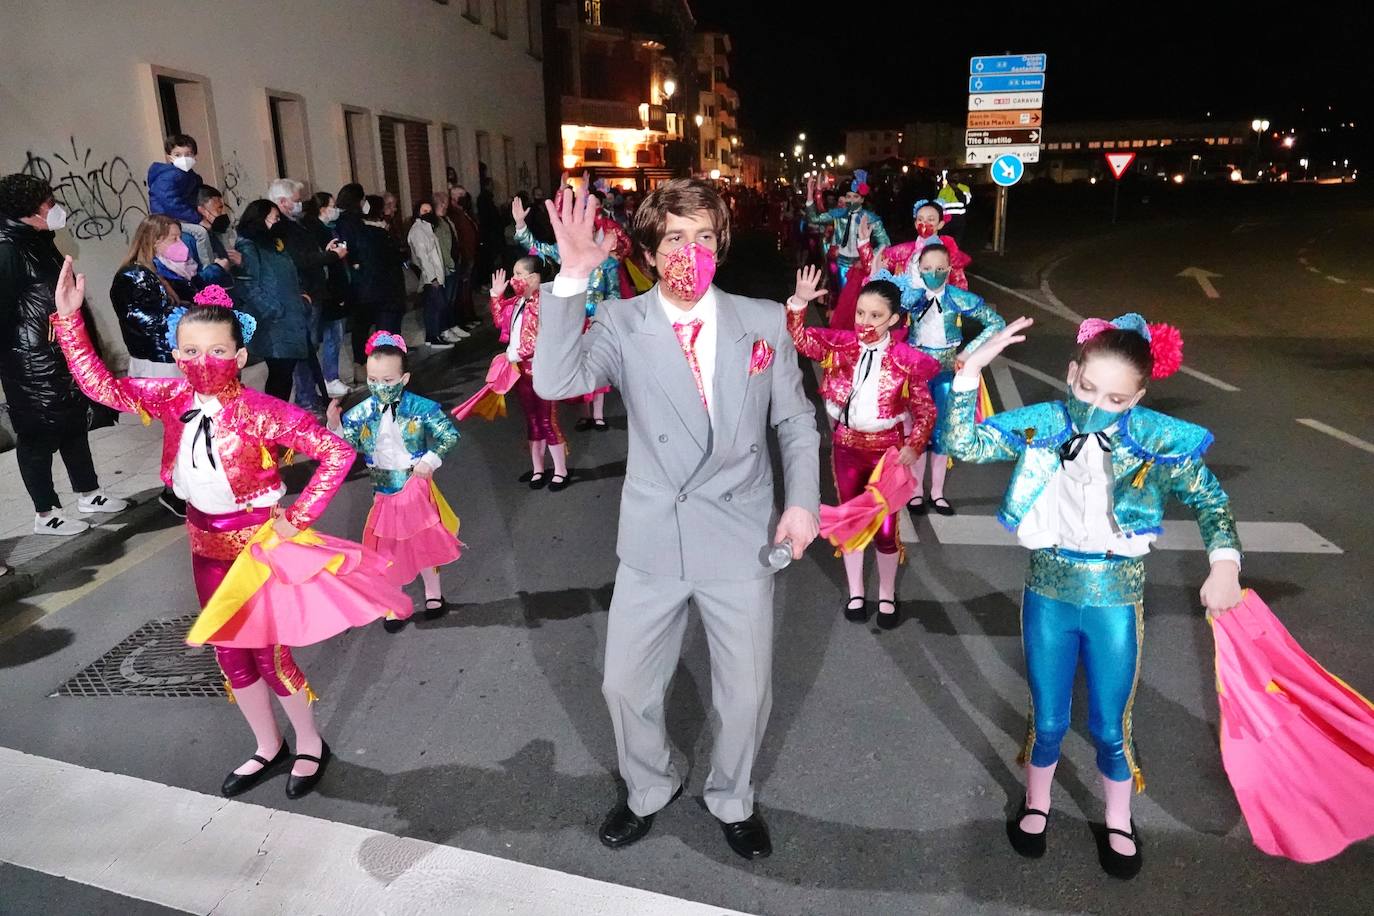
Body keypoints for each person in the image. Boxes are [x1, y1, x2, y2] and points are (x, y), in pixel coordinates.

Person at [533, 179, 820, 860]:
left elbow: (795, 418)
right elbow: (555, 381)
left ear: (720, 245)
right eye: (675, 238)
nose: (691, 250)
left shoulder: (763, 320)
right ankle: (648, 787)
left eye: (705, 237)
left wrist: (803, 500)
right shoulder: (621, 322)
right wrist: (573, 276)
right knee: (624, 684)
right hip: (655, 534)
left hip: (741, 534)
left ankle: (732, 796)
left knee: (746, 693)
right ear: (653, 250)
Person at [52, 270, 400, 800]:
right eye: (188, 352)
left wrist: (298, 515)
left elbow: (337, 452)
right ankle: (267, 745)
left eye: (215, 351)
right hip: (203, 548)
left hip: (258, 552)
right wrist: (71, 320)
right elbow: (100, 384)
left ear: (239, 358)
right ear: (176, 354)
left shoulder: (262, 412)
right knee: (229, 653)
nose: (201, 363)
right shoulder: (170, 397)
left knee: (270, 655)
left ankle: (308, 743)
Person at [944, 313, 1244, 879]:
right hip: (1047, 587)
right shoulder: (1047, 421)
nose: (1097, 405)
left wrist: (1224, 564)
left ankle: (1118, 819)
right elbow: (962, 440)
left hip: (1115, 596)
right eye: (1086, 388)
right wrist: (970, 372)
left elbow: (1211, 500)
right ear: (1071, 371)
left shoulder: (1155, 437)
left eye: (1115, 398)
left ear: (1139, 395)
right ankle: (1037, 803)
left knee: (1111, 724)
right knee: (1049, 716)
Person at [785, 270, 939, 629]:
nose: (864, 322)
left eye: (875, 316)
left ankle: (886, 593)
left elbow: (926, 409)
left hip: (887, 452)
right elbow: (801, 340)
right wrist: (799, 303)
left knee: (886, 530)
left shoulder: (906, 359)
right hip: (846, 447)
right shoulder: (841, 344)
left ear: (894, 320)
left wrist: (914, 446)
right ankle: (856, 591)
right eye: (860, 313)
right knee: (852, 522)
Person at [0, 173, 127, 537]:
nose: (55, 207)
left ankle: (89, 492)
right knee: (37, 436)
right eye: (49, 201)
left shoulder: (39, 240)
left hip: (62, 353)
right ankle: (46, 513)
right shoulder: (8, 248)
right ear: (33, 208)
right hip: (31, 361)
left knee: (73, 424)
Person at [328, 331, 462, 631]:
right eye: (373, 380)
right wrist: (334, 427)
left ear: (404, 379)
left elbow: (448, 434)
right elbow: (346, 448)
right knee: (385, 551)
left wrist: (429, 460)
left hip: (415, 486)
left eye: (387, 381)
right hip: (383, 491)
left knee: (422, 541)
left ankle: (433, 595)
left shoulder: (421, 407)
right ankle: (394, 603)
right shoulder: (360, 413)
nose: (379, 387)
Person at [900, 243, 1005, 516]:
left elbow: (995, 323)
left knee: (942, 435)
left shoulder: (957, 297)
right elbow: (886, 309)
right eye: (926, 269)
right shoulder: (911, 297)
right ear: (918, 269)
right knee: (917, 434)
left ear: (948, 270)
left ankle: (937, 492)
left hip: (947, 372)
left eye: (938, 269)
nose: (932, 273)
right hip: (916, 373)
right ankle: (915, 492)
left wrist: (969, 352)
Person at [513, 191, 630, 431]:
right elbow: (537, 248)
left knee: (597, 369)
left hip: (595, 320)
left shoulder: (608, 263)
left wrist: (611, 321)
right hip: (571, 321)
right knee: (573, 365)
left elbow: (614, 295)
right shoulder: (565, 252)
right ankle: (585, 413)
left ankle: (598, 414)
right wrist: (521, 225)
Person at [111, 213, 196, 516]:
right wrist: (187, 322)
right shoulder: (133, 276)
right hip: (158, 364)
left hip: (169, 360)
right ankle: (172, 490)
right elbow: (145, 320)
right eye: (173, 238)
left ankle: (181, 486)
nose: (179, 244)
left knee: (185, 427)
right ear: (154, 239)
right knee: (180, 428)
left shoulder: (150, 273)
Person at [268, 178, 347, 412]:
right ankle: (306, 397)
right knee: (304, 349)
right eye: (296, 200)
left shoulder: (295, 224)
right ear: (282, 202)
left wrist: (325, 253)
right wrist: (331, 257)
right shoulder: (283, 228)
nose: (299, 204)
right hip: (303, 293)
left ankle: (309, 395)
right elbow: (299, 260)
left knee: (309, 346)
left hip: (311, 290)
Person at [489, 259, 568, 490]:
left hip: (543, 371)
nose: (514, 279)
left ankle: (560, 470)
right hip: (522, 372)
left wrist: (515, 354)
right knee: (532, 421)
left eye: (518, 274)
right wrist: (496, 296)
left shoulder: (545, 304)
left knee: (548, 421)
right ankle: (538, 469)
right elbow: (501, 323)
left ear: (534, 278)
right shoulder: (516, 303)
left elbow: (542, 339)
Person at [234, 200, 311, 402]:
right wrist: (273, 310)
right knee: (280, 374)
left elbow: (288, 274)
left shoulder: (274, 244)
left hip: (289, 317)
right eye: (275, 218)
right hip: (273, 323)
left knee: (284, 374)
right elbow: (248, 285)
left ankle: (280, 417)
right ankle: (275, 420)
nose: (279, 222)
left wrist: (301, 297)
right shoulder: (248, 245)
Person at [303, 191, 352, 399]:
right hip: (326, 290)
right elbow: (320, 260)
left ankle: (328, 378)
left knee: (333, 334)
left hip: (331, 289)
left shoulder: (327, 228)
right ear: (323, 208)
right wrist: (331, 253)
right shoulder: (316, 230)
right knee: (330, 335)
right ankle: (327, 378)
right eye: (331, 205)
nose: (335, 209)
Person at [805, 172, 889, 287]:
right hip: (841, 264)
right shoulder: (838, 214)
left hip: (862, 266)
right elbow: (813, 219)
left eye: (855, 197)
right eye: (848, 197)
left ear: (862, 200)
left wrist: (868, 258)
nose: (851, 200)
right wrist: (810, 193)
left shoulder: (870, 219)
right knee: (841, 297)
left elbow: (885, 243)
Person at [147, 133, 212, 267]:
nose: (184, 158)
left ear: (195, 155)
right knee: (200, 233)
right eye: (178, 154)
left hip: (179, 218)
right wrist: (197, 218)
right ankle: (209, 267)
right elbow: (171, 203)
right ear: (168, 156)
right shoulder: (168, 176)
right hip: (167, 220)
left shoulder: (190, 176)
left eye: (188, 154)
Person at [407, 200, 457, 350]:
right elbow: (423, 256)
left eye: (429, 210)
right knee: (436, 306)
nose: (427, 213)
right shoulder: (418, 231)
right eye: (424, 210)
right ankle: (434, 336)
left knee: (434, 306)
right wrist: (432, 277)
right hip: (431, 276)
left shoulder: (428, 228)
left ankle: (433, 336)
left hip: (436, 274)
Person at [429, 193, 469, 342]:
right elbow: (442, 246)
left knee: (451, 299)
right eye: (445, 201)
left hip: (454, 262)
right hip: (446, 266)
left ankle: (452, 325)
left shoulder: (446, 220)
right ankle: (444, 328)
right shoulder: (437, 222)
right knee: (444, 300)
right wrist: (449, 264)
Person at [448, 184, 481, 328]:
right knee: (461, 290)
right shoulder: (454, 215)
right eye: (460, 195)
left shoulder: (464, 212)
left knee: (467, 288)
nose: (463, 198)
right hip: (463, 256)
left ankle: (469, 315)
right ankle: (463, 319)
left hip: (470, 255)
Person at [935, 171, 973, 241]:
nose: (954, 179)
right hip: (946, 220)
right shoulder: (943, 190)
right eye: (952, 177)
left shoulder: (964, 188)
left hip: (958, 219)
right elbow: (938, 205)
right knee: (945, 242)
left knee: (956, 241)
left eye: (956, 177)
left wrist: (956, 189)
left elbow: (966, 201)